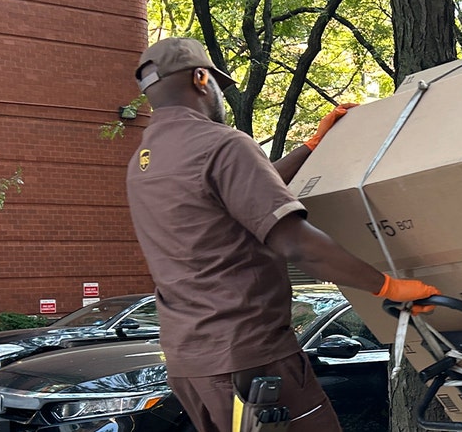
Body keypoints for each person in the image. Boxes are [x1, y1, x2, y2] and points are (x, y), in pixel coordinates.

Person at [125, 37, 441, 432]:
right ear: (201, 78)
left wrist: (310, 145)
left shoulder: (143, 163)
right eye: (219, 88)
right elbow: (295, 241)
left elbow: (249, 193)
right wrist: (389, 287)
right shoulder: (220, 144)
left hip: (191, 364)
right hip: (254, 361)